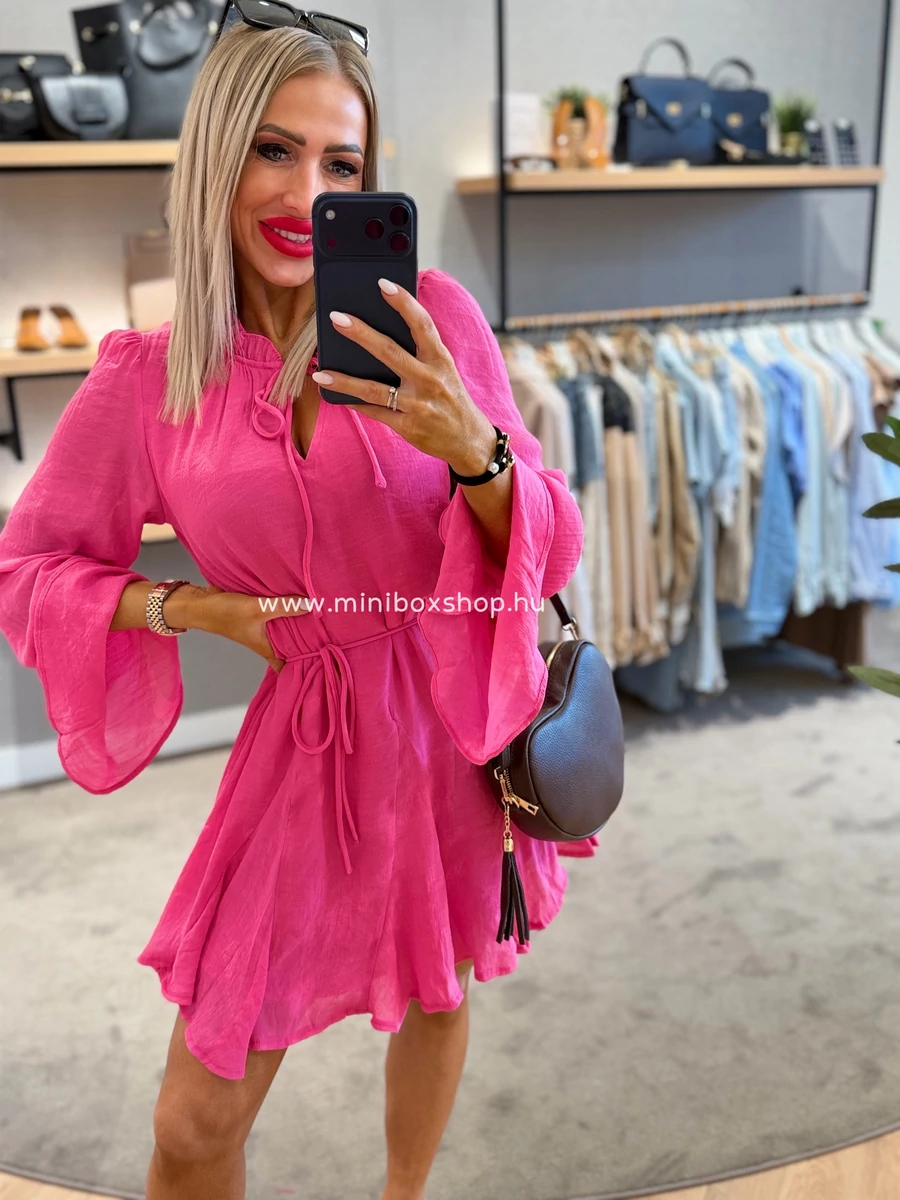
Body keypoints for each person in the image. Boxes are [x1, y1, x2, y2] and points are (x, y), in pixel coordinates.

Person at [0, 6, 594, 1199]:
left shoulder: (429, 318)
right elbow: (31, 566)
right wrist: (196, 610)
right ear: (218, 154)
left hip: (448, 718)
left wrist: (474, 450)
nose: (304, 192)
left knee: (441, 985)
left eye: (341, 164)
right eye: (274, 149)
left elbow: (551, 539)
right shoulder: (152, 378)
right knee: (194, 1119)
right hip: (304, 740)